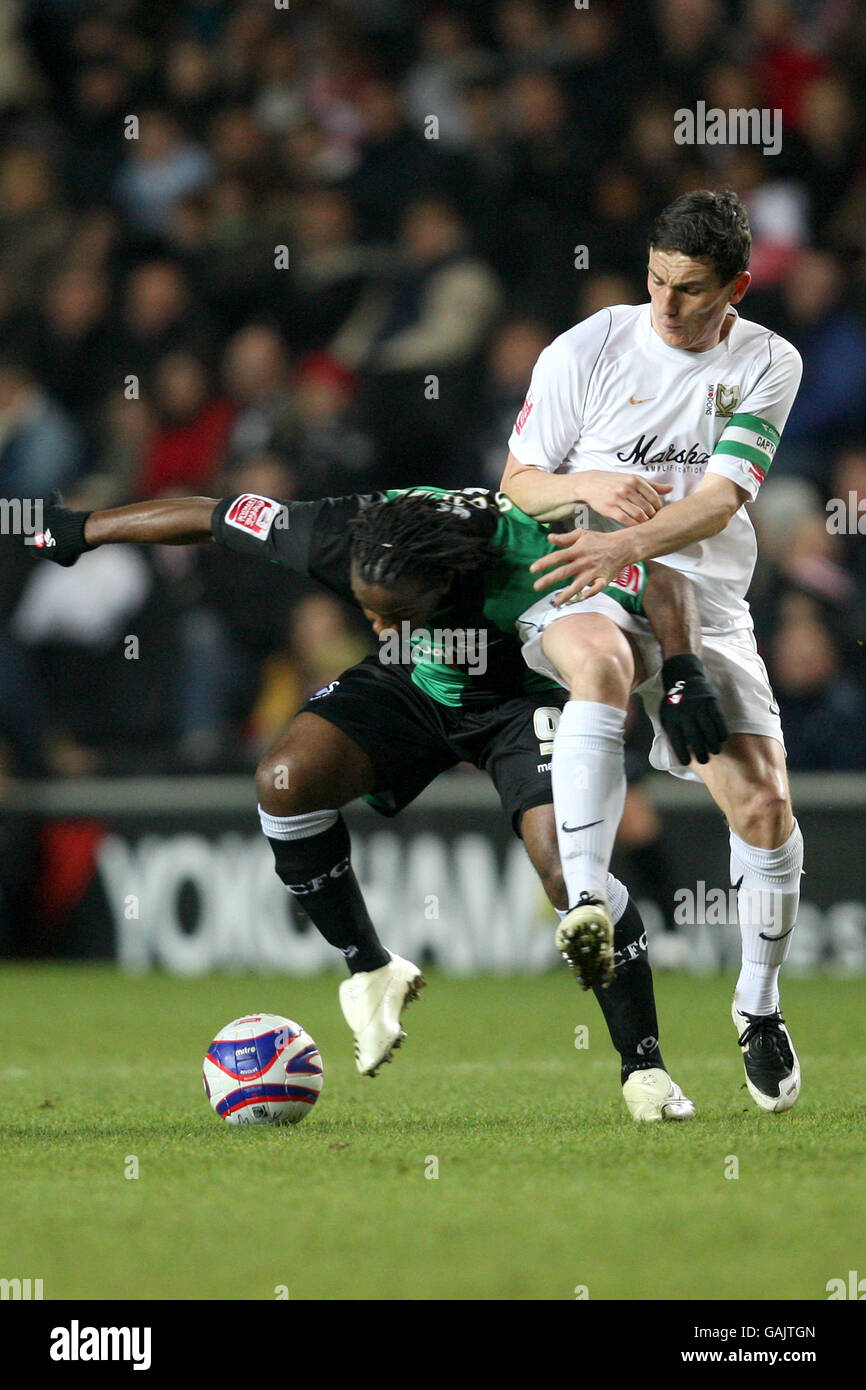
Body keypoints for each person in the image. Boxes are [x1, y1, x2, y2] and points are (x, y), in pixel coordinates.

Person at [32, 484, 728, 1121]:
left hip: (523, 699)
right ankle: (370, 966)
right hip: (416, 686)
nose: (378, 626)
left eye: (395, 612)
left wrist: (684, 671)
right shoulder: (341, 533)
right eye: (366, 609)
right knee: (284, 778)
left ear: (450, 582)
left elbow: (659, 579)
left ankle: (646, 1071)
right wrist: (87, 529)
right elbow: (209, 517)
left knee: (568, 876)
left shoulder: (530, 551)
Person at [501, 188, 804, 1114]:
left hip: (704, 607)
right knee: (601, 664)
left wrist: (628, 541)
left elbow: (720, 502)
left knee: (762, 809)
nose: (668, 306)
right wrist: (587, 486)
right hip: (580, 582)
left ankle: (757, 1007)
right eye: (657, 281)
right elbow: (517, 485)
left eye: (692, 290)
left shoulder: (767, 362)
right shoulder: (587, 347)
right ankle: (587, 902)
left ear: (738, 286)